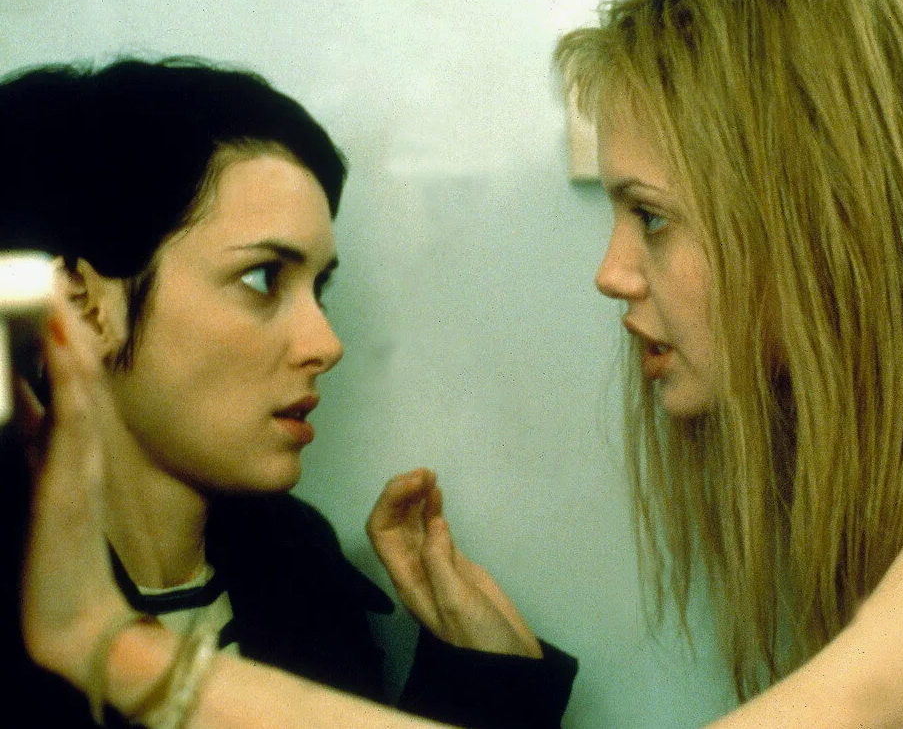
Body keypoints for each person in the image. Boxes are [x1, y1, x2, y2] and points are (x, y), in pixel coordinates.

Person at [17, 0, 903, 727]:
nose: (612, 270)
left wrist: (122, 655)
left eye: (651, 215)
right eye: (262, 279)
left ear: (819, 217)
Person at [0, 57, 575, 729]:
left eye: (319, 287)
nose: (325, 343)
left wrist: (487, 680)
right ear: (80, 306)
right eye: (263, 277)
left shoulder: (303, 573)